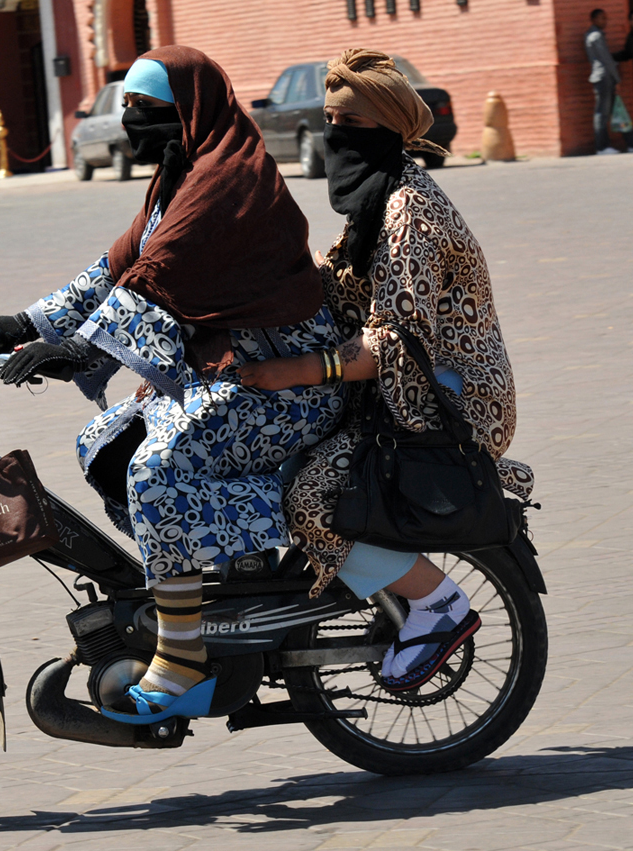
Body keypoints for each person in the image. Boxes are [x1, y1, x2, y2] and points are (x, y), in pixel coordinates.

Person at [0, 46, 347, 721]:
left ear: (189, 111)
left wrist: (71, 350)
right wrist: (27, 321)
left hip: (286, 385)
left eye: (147, 112)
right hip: (235, 373)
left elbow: (157, 281)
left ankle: (181, 657)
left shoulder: (226, 178)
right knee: (107, 439)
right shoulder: (177, 177)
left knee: (156, 471)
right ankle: (207, 578)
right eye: (126, 111)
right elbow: (117, 267)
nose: (132, 126)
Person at [238, 48, 536, 692]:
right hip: (396, 398)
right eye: (327, 119)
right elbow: (329, 284)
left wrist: (289, 371)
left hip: (450, 407)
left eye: (347, 122)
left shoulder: (410, 216)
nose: (333, 135)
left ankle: (437, 606)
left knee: (311, 501)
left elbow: (388, 346)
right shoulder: (376, 205)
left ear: (380, 130)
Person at [587, 8, 633, 154]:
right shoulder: (597, 36)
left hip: (606, 77)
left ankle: (632, 144)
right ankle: (606, 146)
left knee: (617, 112)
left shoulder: (594, 35)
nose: (605, 21)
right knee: (604, 113)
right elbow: (615, 57)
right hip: (609, 77)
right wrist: (615, 73)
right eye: (602, 18)